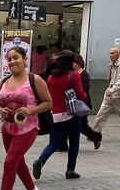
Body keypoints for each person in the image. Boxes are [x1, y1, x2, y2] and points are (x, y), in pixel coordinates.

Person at [0, 46, 51, 190]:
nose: (12, 61)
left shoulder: (35, 80)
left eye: (16, 57)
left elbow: (48, 103)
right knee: (17, 161)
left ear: (25, 59)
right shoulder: (4, 81)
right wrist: (0, 110)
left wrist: (30, 110)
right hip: (7, 128)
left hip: (27, 128)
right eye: (9, 59)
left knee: (10, 162)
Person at [32, 50, 85, 180]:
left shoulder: (51, 77)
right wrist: (85, 96)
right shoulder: (74, 76)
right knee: (74, 142)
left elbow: (47, 94)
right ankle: (70, 170)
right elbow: (80, 95)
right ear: (71, 62)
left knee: (53, 144)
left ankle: (40, 161)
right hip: (71, 115)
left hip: (54, 115)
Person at [74, 54, 102, 150]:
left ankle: (96, 137)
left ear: (78, 63)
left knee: (82, 126)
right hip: (74, 104)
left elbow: (83, 90)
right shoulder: (72, 73)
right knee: (75, 125)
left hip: (83, 104)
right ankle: (63, 144)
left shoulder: (84, 74)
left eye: (73, 62)